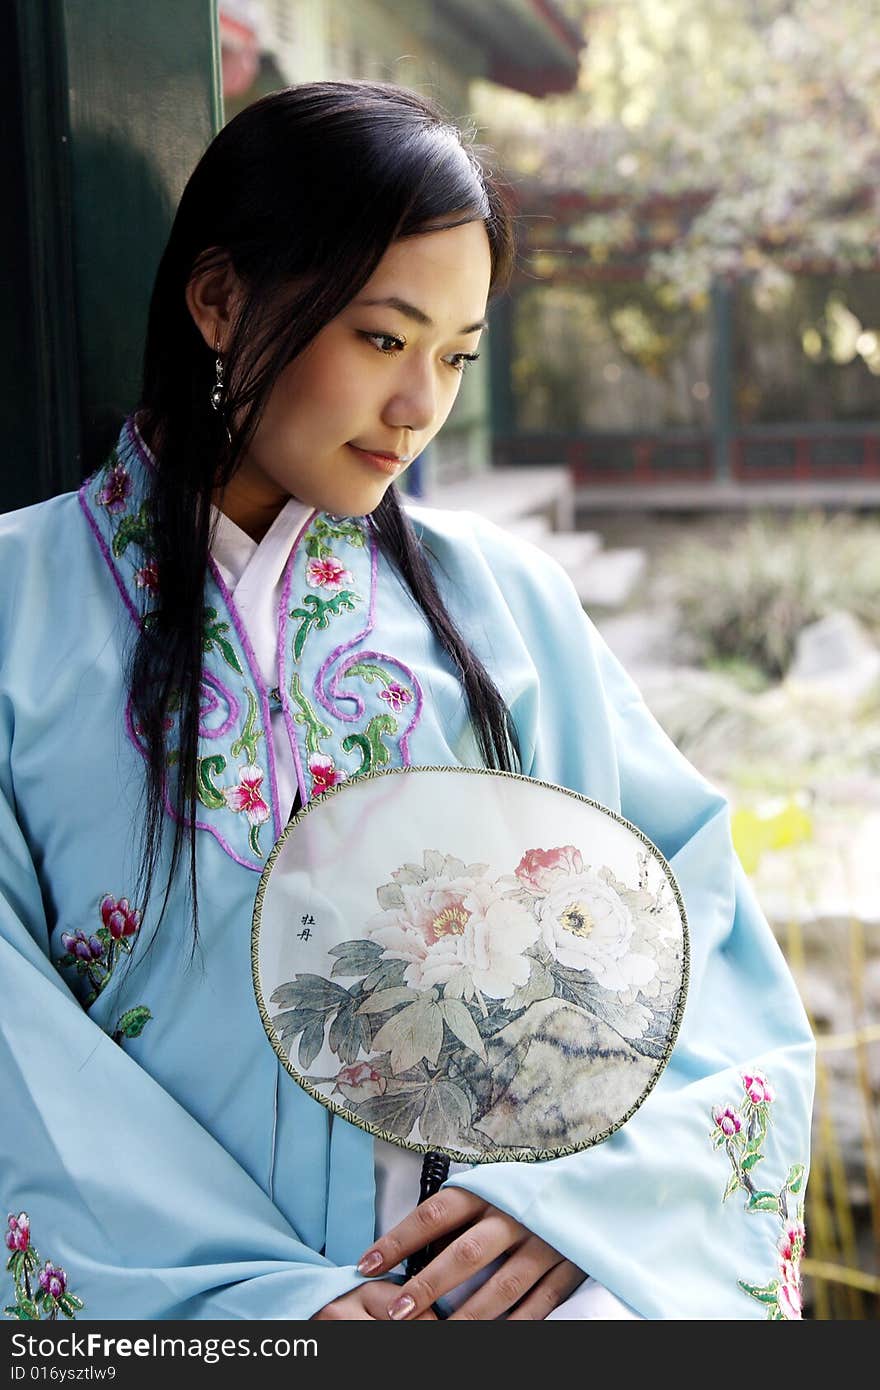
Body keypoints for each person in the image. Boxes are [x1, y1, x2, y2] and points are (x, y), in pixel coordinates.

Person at [0, 81, 814, 1322]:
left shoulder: (514, 614)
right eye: (383, 338)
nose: (419, 405)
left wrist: (579, 1203)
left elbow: (691, 937)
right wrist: (262, 1311)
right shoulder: (16, 607)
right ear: (220, 301)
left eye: (456, 355)